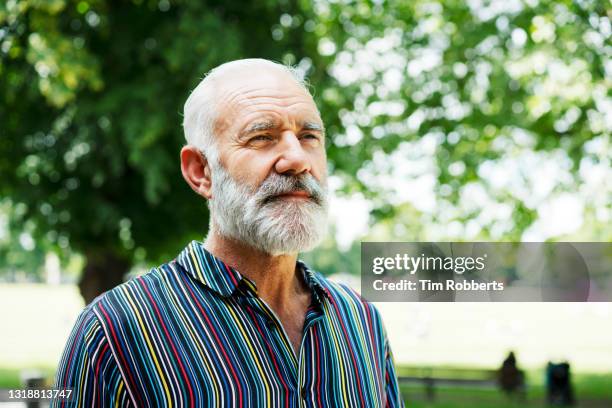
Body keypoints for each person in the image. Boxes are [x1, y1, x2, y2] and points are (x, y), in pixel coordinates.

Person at [52, 58, 404, 407]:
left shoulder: (360, 321)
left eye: (309, 136)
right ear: (200, 171)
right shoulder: (113, 332)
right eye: (262, 137)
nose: (297, 159)